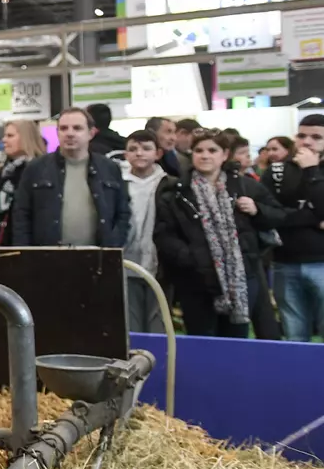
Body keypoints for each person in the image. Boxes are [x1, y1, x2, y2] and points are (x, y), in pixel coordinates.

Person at [154, 129, 284, 337]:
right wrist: (189, 257)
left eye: (212, 150)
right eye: (199, 150)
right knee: (202, 342)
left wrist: (257, 210)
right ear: (192, 154)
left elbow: (278, 216)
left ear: (224, 154)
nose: (205, 155)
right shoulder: (176, 192)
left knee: (236, 342)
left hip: (241, 280)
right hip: (195, 282)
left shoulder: (244, 186)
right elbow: (164, 235)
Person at [11, 107, 131, 248]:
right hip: (47, 259)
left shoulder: (109, 168)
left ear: (91, 133)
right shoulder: (36, 169)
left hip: (98, 258)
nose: (70, 133)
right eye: (63, 128)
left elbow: (123, 212)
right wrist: (26, 255)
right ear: (57, 133)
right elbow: (21, 216)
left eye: (77, 128)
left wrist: (113, 244)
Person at [262, 115, 324, 340]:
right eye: (302, 136)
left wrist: (312, 171)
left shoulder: (316, 171)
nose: (307, 142)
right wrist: (314, 218)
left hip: (321, 262)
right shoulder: (276, 171)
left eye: (316, 137)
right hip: (285, 260)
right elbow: (270, 214)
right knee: (294, 333)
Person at [122, 130, 169, 333]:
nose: (139, 153)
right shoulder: (118, 184)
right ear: (126, 154)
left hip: (159, 263)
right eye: (133, 149)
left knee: (157, 320)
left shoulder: (168, 184)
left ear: (158, 153)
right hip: (126, 261)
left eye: (146, 148)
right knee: (129, 321)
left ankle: (158, 363)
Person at [0, 118, 45, 246]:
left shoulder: (41, 171)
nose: (3, 140)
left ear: (26, 138)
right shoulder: (2, 173)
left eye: (10, 136)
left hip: (30, 246)